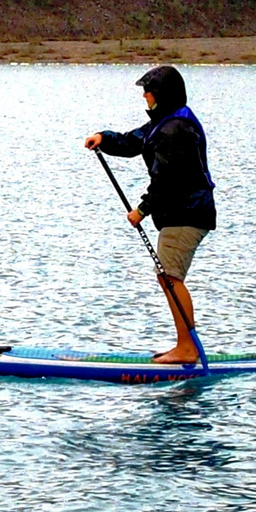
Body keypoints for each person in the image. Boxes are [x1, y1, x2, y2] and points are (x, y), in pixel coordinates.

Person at [84, 65, 217, 364]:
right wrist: (104, 138)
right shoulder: (166, 121)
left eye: (149, 91)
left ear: (162, 95)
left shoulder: (176, 131)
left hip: (187, 213)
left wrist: (141, 210)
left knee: (170, 277)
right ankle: (186, 345)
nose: (144, 95)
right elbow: (133, 142)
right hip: (180, 212)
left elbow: (167, 180)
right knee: (167, 277)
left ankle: (188, 348)